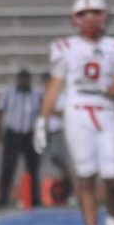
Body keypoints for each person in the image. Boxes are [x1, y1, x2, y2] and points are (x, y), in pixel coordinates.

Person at [33, 0, 114, 225]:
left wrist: (104, 88)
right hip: (76, 113)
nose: (89, 19)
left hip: (104, 112)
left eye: (94, 14)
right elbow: (55, 85)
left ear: (104, 16)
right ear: (74, 19)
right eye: (83, 14)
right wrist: (42, 120)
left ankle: (112, 221)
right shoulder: (65, 47)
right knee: (85, 177)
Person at [0, 67, 43, 208]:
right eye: (21, 78)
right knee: (7, 167)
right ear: (18, 79)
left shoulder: (36, 94)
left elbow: (41, 113)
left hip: (29, 134)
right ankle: (3, 197)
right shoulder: (8, 93)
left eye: (26, 78)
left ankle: (34, 198)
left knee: (33, 168)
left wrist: (40, 132)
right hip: (13, 133)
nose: (23, 81)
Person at [40, 72, 72, 205]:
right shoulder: (41, 96)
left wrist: (49, 109)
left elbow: (63, 113)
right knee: (39, 164)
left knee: (62, 163)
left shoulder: (61, 96)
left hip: (57, 132)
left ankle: (69, 193)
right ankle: (39, 195)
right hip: (43, 132)